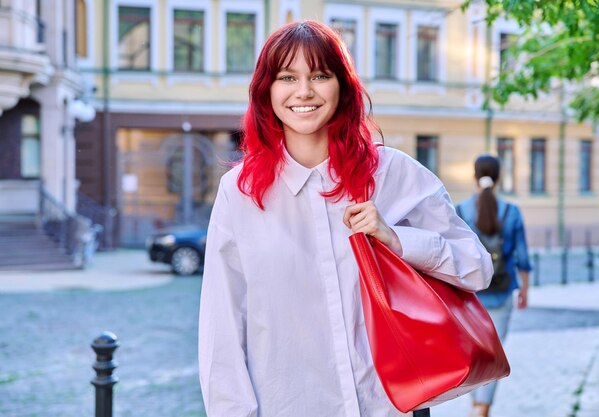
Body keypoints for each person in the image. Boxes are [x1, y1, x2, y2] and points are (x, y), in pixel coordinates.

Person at [198, 20, 493, 417]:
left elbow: (477, 270)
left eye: (320, 75)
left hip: (389, 407)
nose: (304, 91)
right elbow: (223, 326)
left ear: (343, 87)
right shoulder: (240, 193)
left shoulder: (394, 174)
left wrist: (396, 239)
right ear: (266, 91)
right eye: (287, 77)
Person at [456, 154, 531, 417]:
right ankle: (482, 409)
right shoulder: (512, 212)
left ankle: (477, 405)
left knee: (476, 354)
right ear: (499, 177)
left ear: (475, 176)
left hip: (469, 297)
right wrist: (524, 290)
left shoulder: (461, 210)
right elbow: (522, 256)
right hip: (502, 293)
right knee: (494, 355)